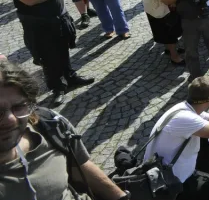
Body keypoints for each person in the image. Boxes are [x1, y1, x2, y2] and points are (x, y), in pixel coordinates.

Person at [0, 61, 126, 199]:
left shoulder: (49, 125)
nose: (11, 119)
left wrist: (121, 197)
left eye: (18, 107)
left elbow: (81, 167)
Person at [3, 0, 94, 105]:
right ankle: (57, 87)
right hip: (38, 26)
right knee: (48, 59)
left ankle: (70, 77)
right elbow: (30, 2)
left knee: (64, 50)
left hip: (60, 19)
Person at [143, 76, 209, 200]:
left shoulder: (186, 108)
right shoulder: (186, 119)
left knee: (206, 141)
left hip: (164, 170)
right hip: (174, 182)